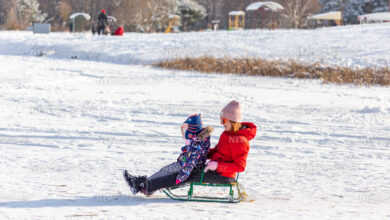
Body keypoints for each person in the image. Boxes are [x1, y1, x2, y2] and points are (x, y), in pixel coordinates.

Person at [123, 101, 257, 197]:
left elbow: (240, 166)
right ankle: (144, 183)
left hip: (224, 176)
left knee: (186, 174)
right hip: (214, 170)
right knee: (181, 169)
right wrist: (201, 153)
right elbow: (218, 152)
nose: (221, 124)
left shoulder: (240, 140)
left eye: (224, 121)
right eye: (221, 120)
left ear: (233, 121)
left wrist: (217, 165)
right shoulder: (227, 134)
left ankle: (146, 186)